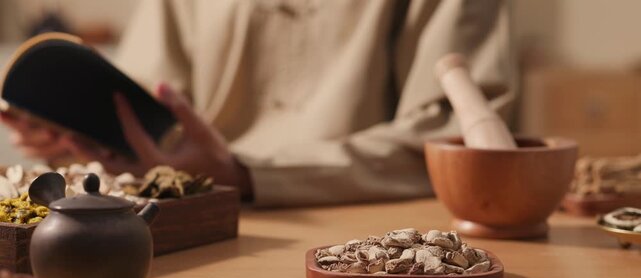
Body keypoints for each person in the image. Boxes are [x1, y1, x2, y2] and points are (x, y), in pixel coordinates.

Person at [0, 0, 514, 207]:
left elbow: (455, 141)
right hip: (198, 227)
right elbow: (148, 111)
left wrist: (243, 172)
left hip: (377, 235)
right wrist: (80, 139)